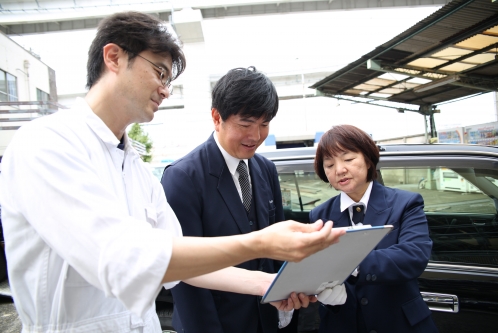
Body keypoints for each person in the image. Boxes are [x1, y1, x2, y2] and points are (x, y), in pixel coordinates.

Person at [0, 12, 345, 333]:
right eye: (160, 72)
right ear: (114, 57)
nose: (166, 89)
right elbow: (123, 259)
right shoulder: (46, 144)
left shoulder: (134, 168)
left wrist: (266, 285)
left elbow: (183, 259)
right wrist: (261, 242)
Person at [162, 67, 306, 333]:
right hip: (219, 323)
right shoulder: (183, 178)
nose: (255, 136)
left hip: (268, 318)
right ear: (217, 118)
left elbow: (275, 254)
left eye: (264, 125)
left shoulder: (265, 169)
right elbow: (182, 273)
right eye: (245, 124)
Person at [309, 124, 438, 333]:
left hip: (401, 324)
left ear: (368, 160)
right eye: (329, 164)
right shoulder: (319, 215)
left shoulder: (405, 203)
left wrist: (351, 263)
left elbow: (414, 255)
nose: (339, 170)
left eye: (348, 159)